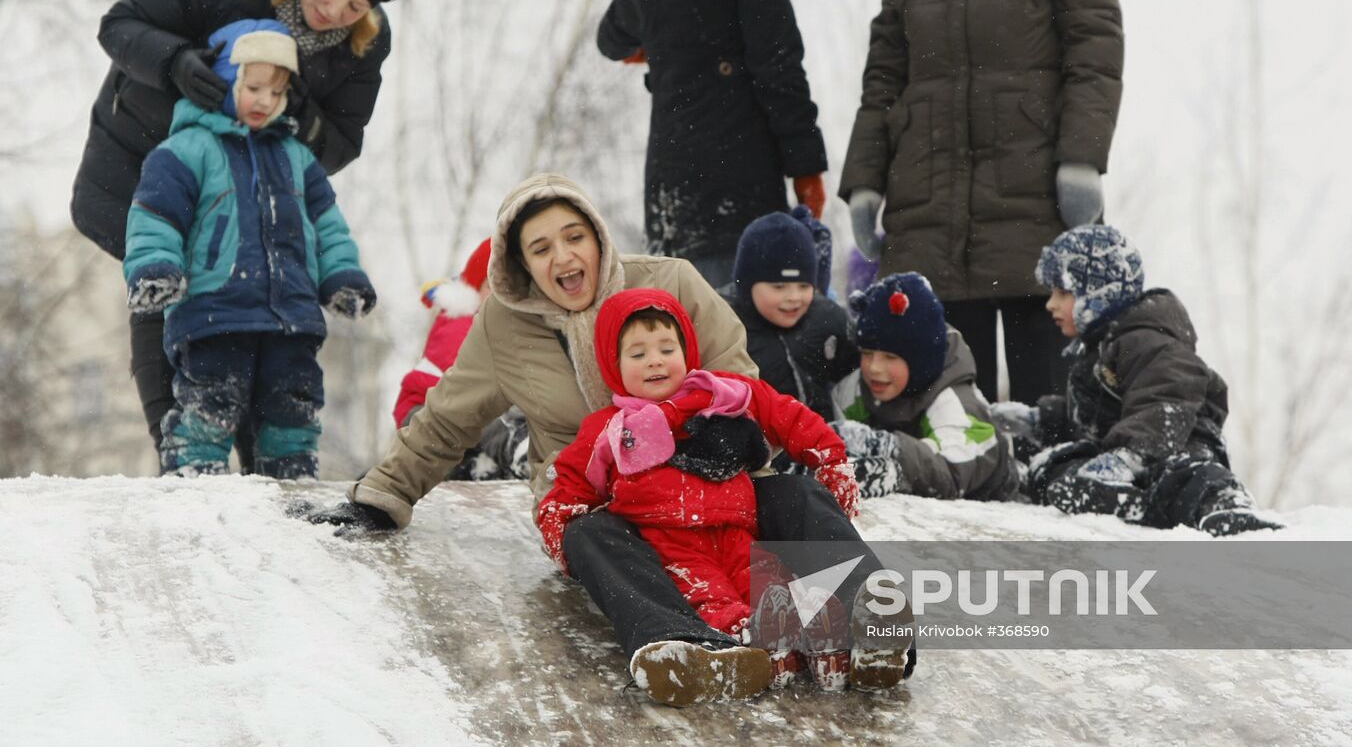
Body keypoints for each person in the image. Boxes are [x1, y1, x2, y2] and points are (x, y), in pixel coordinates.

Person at [304, 173, 912, 705]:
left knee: (802, 500)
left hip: (718, 481)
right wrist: (382, 495)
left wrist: (727, 435)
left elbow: (738, 375)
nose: (562, 255)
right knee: (591, 537)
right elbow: (446, 418)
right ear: (520, 263)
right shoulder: (505, 327)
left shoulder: (670, 282)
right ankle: (686, 648)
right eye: (540, 247)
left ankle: (870, 632)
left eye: (574, 236)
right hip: (610, 507)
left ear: (597, 236)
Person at [73, 0, 409, 470]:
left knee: (260, 319)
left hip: (255, 188)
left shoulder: (363, 45)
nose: (336, 12)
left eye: (356, 7)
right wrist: (176, 63)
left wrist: (297, 114)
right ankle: (182, 457)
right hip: (145, 151)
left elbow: (341, 143)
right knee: (165, 280)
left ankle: (271, 472)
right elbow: (119, 24)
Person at [839, 0, 1124, 405]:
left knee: (1045, 403)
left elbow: (1094, 54)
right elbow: (884, 77)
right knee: (953, 407)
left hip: (1033, 200)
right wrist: (863, 181)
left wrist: (1081, 161)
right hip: (933, 210)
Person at [540, 288, 857, 692]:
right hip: (671, 543)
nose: (654, 360)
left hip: (739, 530)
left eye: (666, 349)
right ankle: (730, 652)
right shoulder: (610, 429)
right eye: (637, 355)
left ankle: (820, 650)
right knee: (709, 597)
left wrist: (831, 459)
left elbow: (788, 415)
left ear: (686, 352)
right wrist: (563, 536)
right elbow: (569, 487)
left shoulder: (722, 395)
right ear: (613, 366)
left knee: (770, 587)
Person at [123, 20, 375, 478]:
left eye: (277, 93)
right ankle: (195, 485)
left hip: (292, 319)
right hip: (214, 312)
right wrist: (155, 268)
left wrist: (342, 277)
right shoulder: (186, 149)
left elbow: (328, 226)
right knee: (209, 406)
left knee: (293, 407)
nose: (265, 101)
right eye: (253, 86)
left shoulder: (297, 157)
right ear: (221, 80)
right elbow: (155, 216)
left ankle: (291, 483)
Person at [596, 0, 828, 288]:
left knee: (682, 339)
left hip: (671, 186)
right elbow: (778, 62)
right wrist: (805, 165)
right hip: (742, 177)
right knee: (745, 341)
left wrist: (658, 43)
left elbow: (611, 38)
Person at [1021, 225, 1281, 536]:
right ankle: (1125, 502)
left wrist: (1131, 455)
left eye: (1063, 293)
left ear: (1098, 294)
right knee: (1056, 465)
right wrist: (1041, 420)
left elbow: (1166, 398)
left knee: (1184, 475)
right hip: (1122, 455)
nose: (1050, 303)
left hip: (1174, 440)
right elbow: (1096, 412)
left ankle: (1225, 504)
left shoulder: (1146, 339)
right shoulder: (1097, 348)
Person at [830, 272, 1019, 501]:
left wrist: (887, 448)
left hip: (988, 503)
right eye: (867, 353)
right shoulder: (854, 392)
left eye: (890, 357)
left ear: (921, 361)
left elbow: (950, 473)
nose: (874, 368)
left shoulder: (953, 400)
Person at [394, 238, 528, 481]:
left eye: (510, 286)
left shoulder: (508, 328)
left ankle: (482, 464)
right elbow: (465, 396)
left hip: (458, 415)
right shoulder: (460, 324)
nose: (501, 295)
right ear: (474, 290)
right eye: (492, 286)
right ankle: (515, 450)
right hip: (422, 413)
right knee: (491, 417)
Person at [724, 210, 859, 423]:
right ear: (747, 284)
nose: (793, 298)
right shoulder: (725, 327)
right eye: (779, 286)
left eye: (804, 286)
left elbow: (857, 380)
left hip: (822, 444)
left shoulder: (828, 319)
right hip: (758, 448)